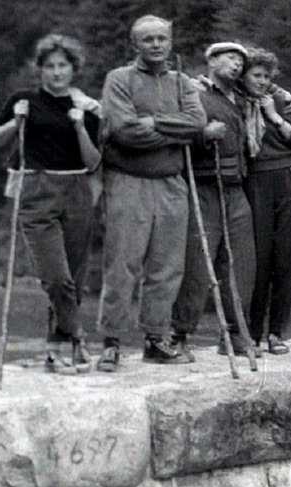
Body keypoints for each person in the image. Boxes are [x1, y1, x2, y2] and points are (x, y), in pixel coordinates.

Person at [0, 34, 101, 374]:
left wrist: (80, 126)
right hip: (37, 187)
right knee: (56, 277)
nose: (55, 72)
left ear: (73, 69)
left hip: (77, 189)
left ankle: (54, 351)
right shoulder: (24, 100)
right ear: (40, 70)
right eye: (49, 66)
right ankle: (77, 336)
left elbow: (94, 162)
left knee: (75, 278)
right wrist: (14, 122)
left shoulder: (87, 108)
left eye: (62, 65)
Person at [96, 15, 206, 371]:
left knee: (167, 266)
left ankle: (156, 339)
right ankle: (111, 342)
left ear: (171, 43)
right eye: (148, 40)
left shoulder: (182, 82)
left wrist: (156, 122)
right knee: (123, 262)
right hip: (128, 180)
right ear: (135, 45)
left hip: (172, 182)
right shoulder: (120, 78)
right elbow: (125, 131)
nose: (156, 45)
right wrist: (177, 133)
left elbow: (197, 122)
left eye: (162, 38)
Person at [170, 42, 259, 358]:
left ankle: (235, 334)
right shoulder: (192, 94)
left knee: (242, 264)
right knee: (197, 263)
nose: (237, 65)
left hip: (236, 190)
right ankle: (177, 335)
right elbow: (176, 135)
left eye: (240, 61)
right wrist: (203, 135)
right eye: (230, 58)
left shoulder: (243, 100)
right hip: (205, 188)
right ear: (210, 59)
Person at [241, 47, 291, 355]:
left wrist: (273, 115)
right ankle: (252, 332)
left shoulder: (283, 99)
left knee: (288, 258)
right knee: (257, 259)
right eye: (255, 75)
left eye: (266, 76)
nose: (261, 81)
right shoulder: (234, 100)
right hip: (256, 180)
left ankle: (277, 332)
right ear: (243, 76)